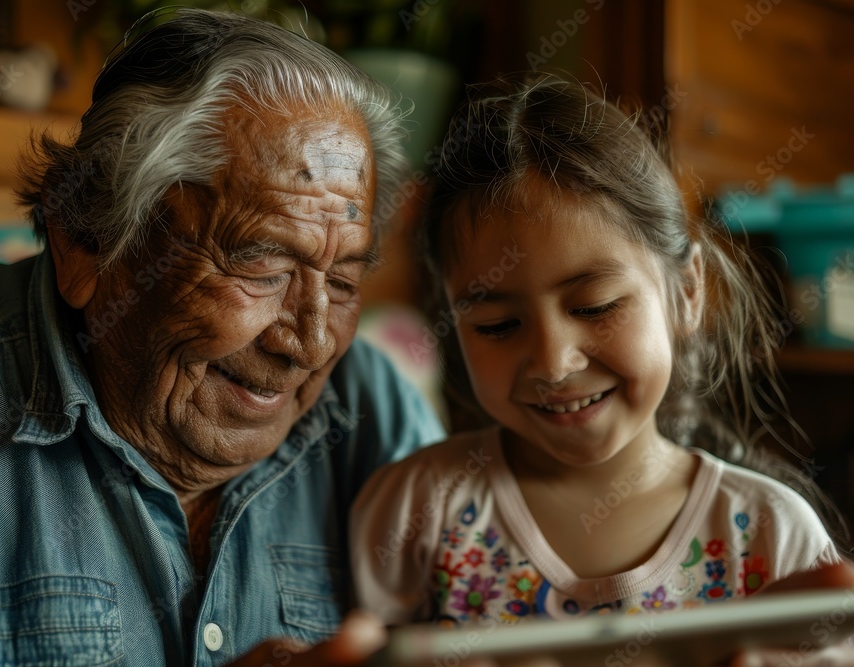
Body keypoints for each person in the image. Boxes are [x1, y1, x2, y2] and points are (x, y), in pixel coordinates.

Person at [0, 9, 446, 667]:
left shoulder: (373, 412)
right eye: (265, 266)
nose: (308, 342)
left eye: (341, 280)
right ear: (86, 237)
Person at [350, 74, 851, 636]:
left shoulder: (770, 537)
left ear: (686, 294)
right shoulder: (417, 511)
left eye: (594, 307)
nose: (554, 362)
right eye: (498, 325)